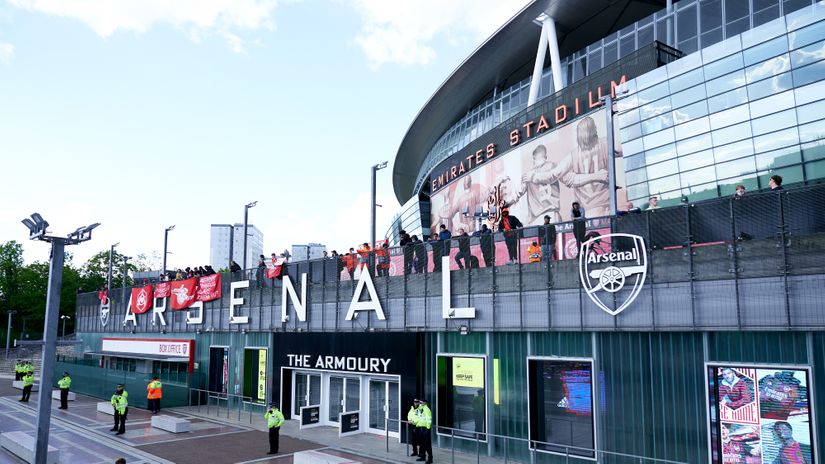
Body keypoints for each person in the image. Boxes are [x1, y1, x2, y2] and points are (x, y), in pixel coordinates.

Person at [516, 144, 562, 223]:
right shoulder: (552, 165)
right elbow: (520, 191)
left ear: (534, 158)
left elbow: (519, 192)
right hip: (546, 214)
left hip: (543, 215)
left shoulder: (529, 174)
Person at [416, 399, 433, 463]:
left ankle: (430, 459)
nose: (420, 403)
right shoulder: (420, 410)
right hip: (421, 429)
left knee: (427, 445)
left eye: (421, 402)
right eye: (420, 402)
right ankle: (423, 457)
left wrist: (428, 429)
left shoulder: (427, 410)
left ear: (425, 403)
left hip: (425, 429)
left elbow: (429, 420)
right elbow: (419, 418)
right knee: (422, 444)